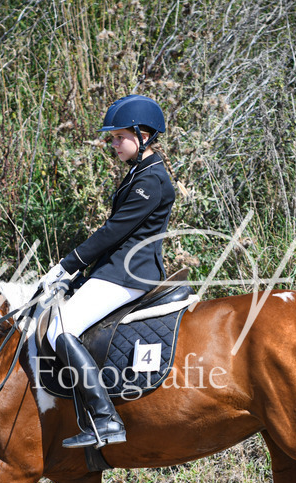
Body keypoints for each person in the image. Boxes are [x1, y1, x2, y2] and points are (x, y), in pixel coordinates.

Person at [40, 94, 176, 449]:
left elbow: (114, 232)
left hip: (129, 274)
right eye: (112, 137)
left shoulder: (151, 181)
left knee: (60, 328)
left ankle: (105, 418)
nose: (113, 144)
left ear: (142, 135)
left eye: (119, 137)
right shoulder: (139, 174)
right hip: (114, 270)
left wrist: (67, 266)